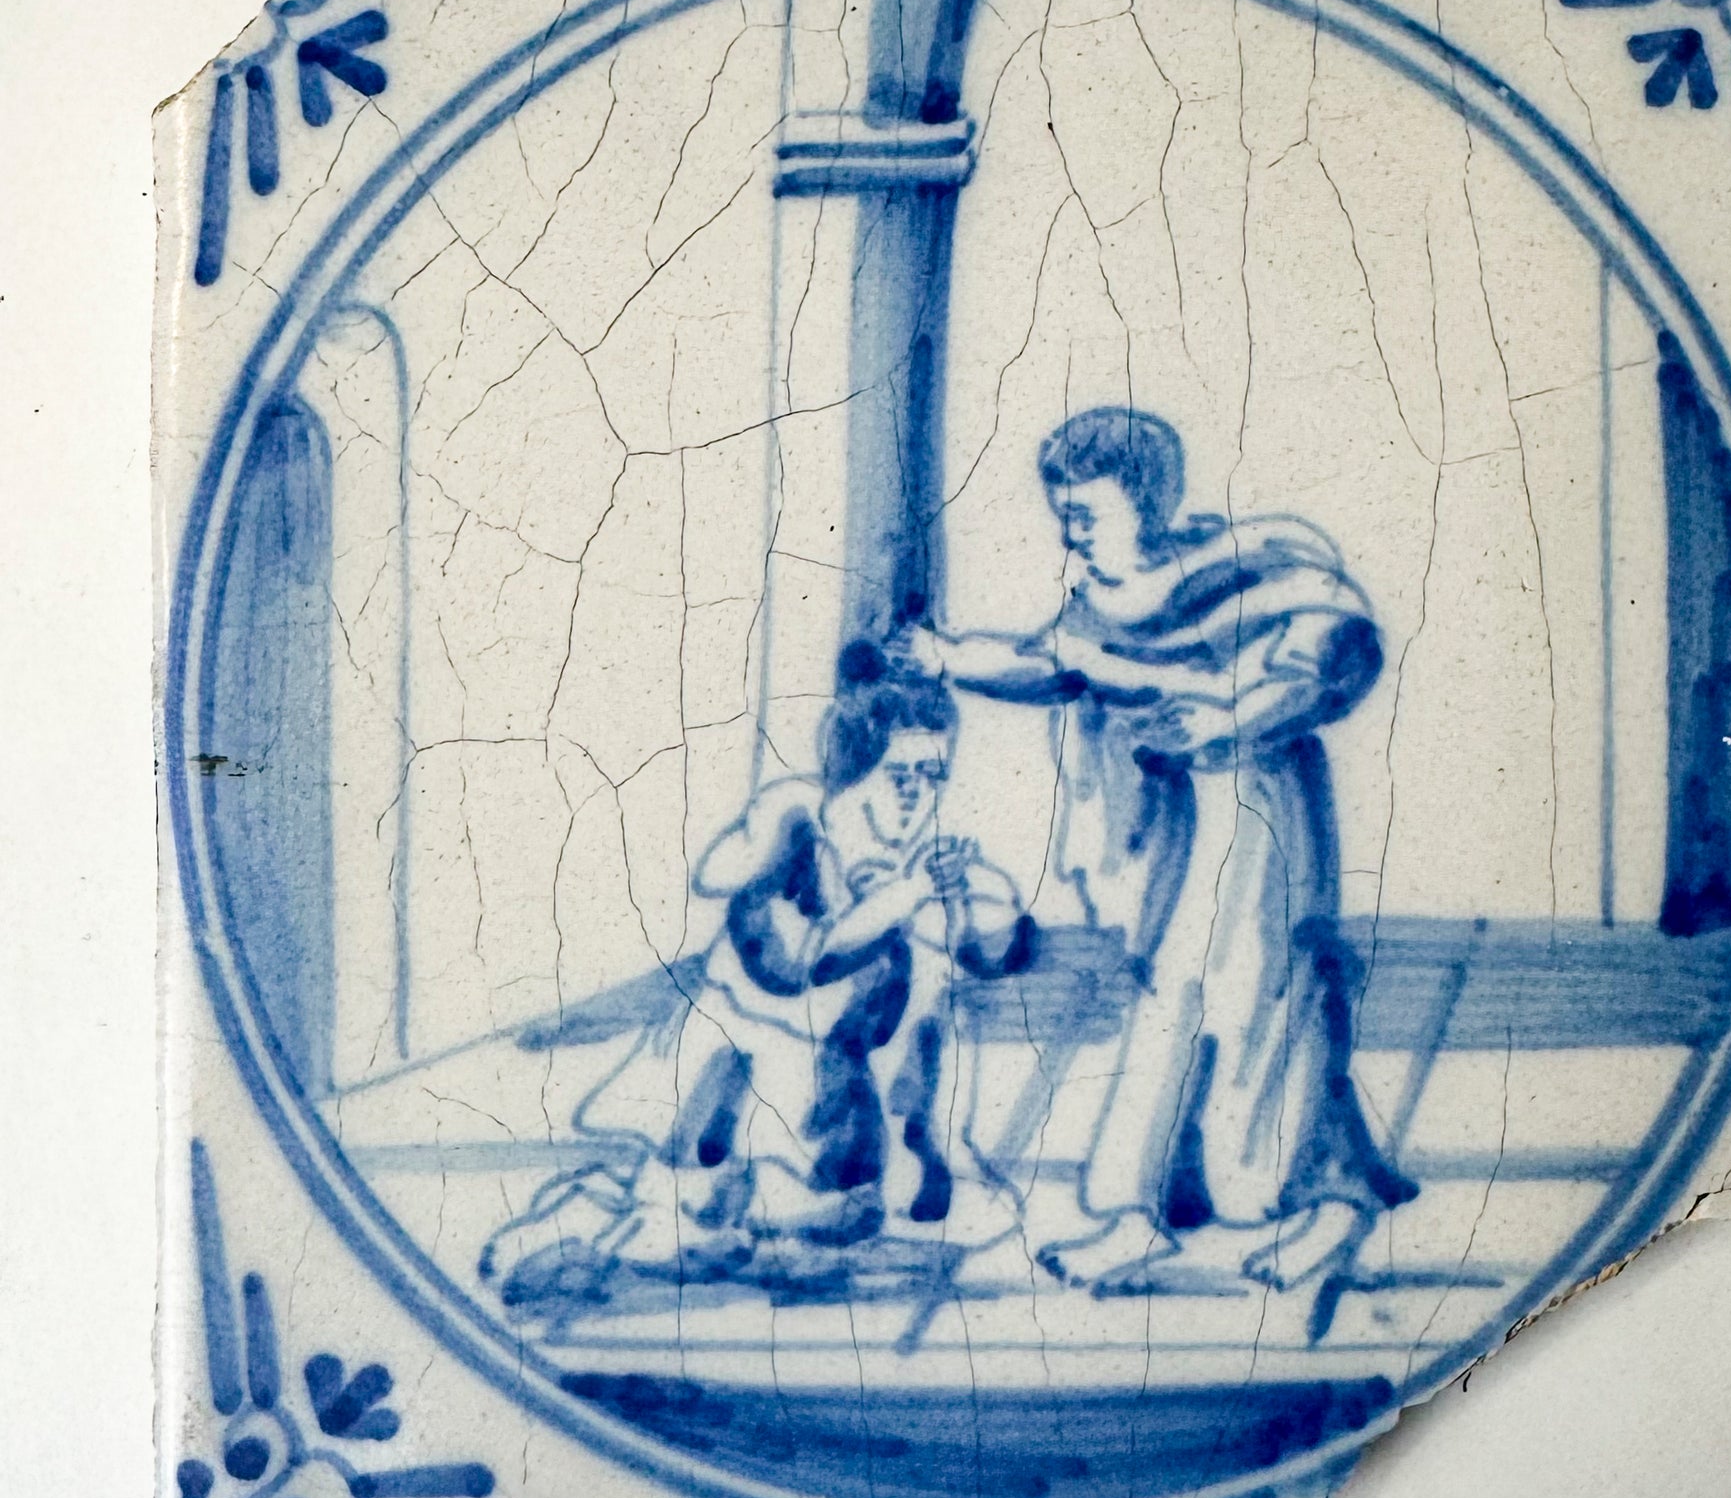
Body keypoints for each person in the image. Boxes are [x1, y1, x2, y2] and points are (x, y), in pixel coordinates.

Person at [904, 406, 1417, 1294]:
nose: (1071, 537)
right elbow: (1050, 664)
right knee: (1170, 1003)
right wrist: (947, 657)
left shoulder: (1246, 570)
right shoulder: (1102, 605)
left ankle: (1318, 1208)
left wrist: (1229, 715)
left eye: (1086, 517)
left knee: (1260, 1008)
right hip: (1188, 830)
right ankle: (1134, 1213)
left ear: (1145, 504)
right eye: (1065, 517)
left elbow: (1329, 660)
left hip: (1264, 817)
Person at [482, 651, 1034, 1311]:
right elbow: (795, 963)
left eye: (933, 774)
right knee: (683, 1198)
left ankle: (743, 1231)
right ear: (854, 767)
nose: (916, 794)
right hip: (736, 1053)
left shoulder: (921, 859)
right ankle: (584, 1235)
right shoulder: (798, 825)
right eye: (898, 773)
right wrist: (902, 897)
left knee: (810, 1211)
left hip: (827, 1086)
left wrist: (970, 898)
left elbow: (995, 951)